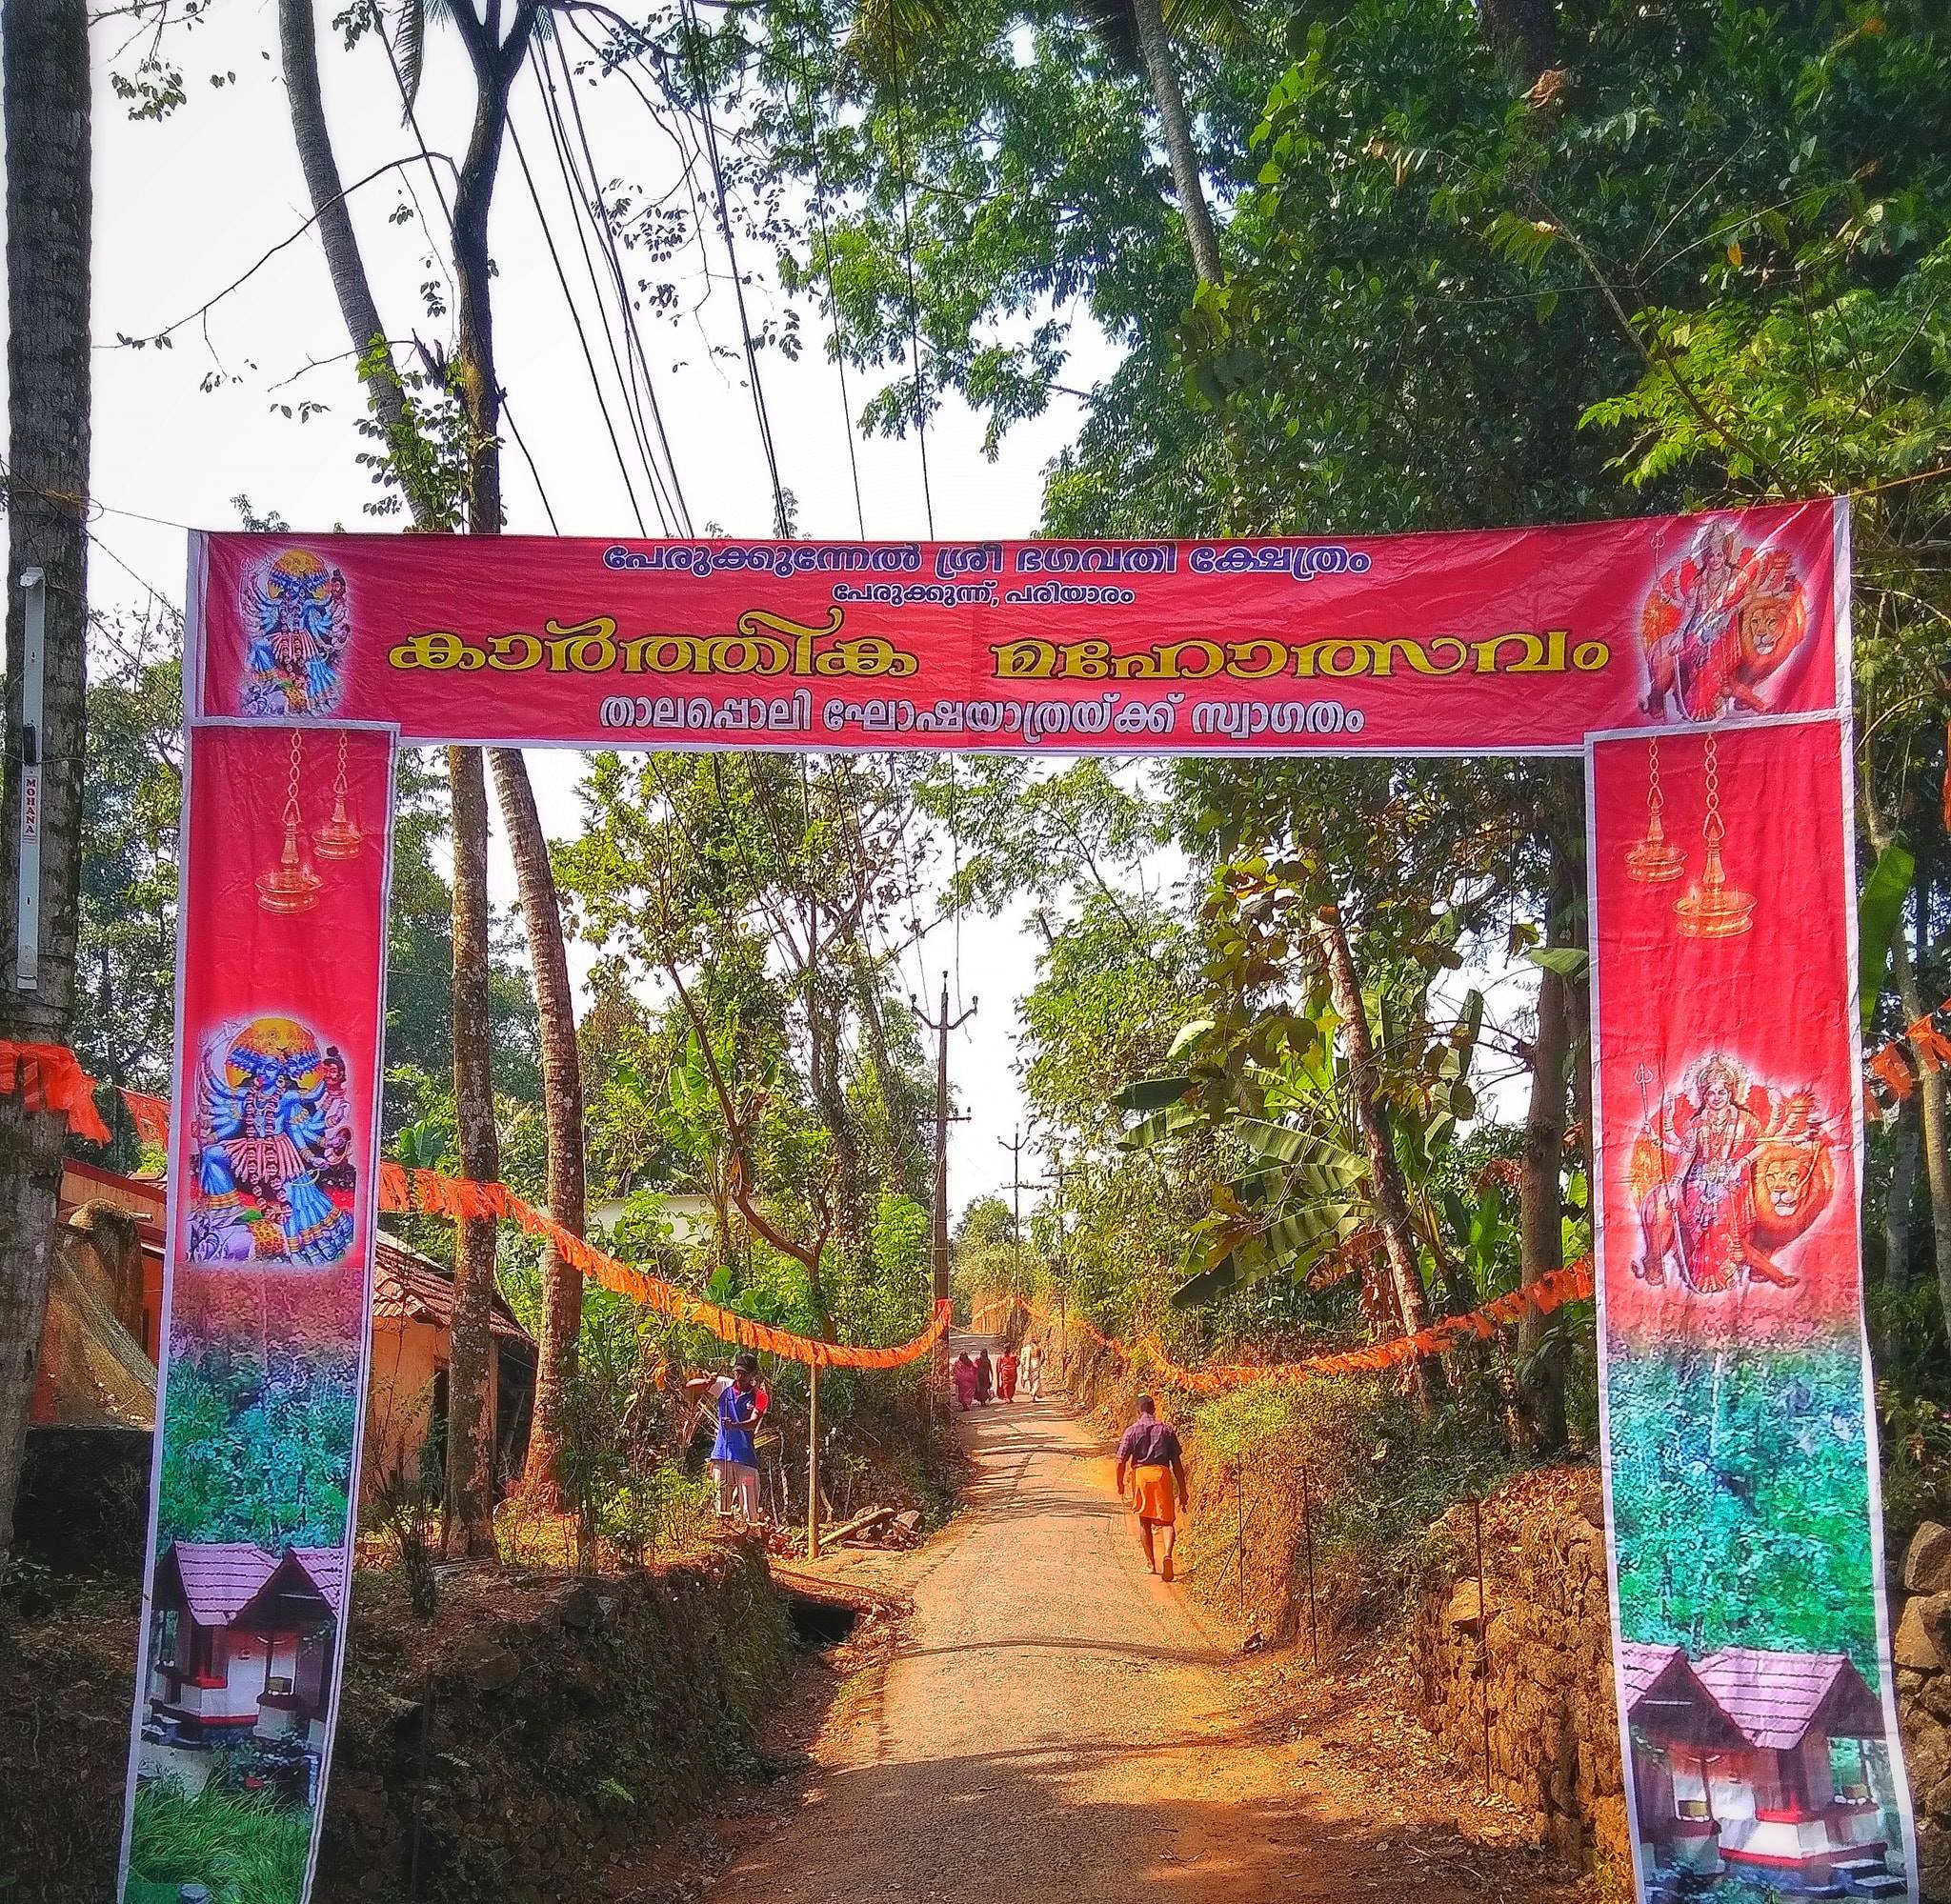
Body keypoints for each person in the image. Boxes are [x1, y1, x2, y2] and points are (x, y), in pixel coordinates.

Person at [1115, 1393, 1187, 1581]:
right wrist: (1183, 1490)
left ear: (1138, 1411)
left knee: (1145, 1522)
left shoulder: (1131, 1431)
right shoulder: (1167, 1430)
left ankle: (1151, 1564)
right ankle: (1168, 1554)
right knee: (1167, 1521)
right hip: (1162, 1474)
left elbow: (1120, 1460)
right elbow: (1177, 1464)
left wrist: (1120, 1483)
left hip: (1141, 1476)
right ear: (1154, 1410)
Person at [711, 1353, 764, 1524]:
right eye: (737, 1373)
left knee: (749, 1503)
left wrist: (734, 1426)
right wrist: (708, 1381)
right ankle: (724, 1534)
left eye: (744, 1374)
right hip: (722, 1455)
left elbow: (753, 1422)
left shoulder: (760, 1396)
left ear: (753, 1375)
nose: (740, 1377)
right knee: (721, 1499)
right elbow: (690, 1386)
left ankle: (752, 1536)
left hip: (745, 1458)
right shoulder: (724, 1386)